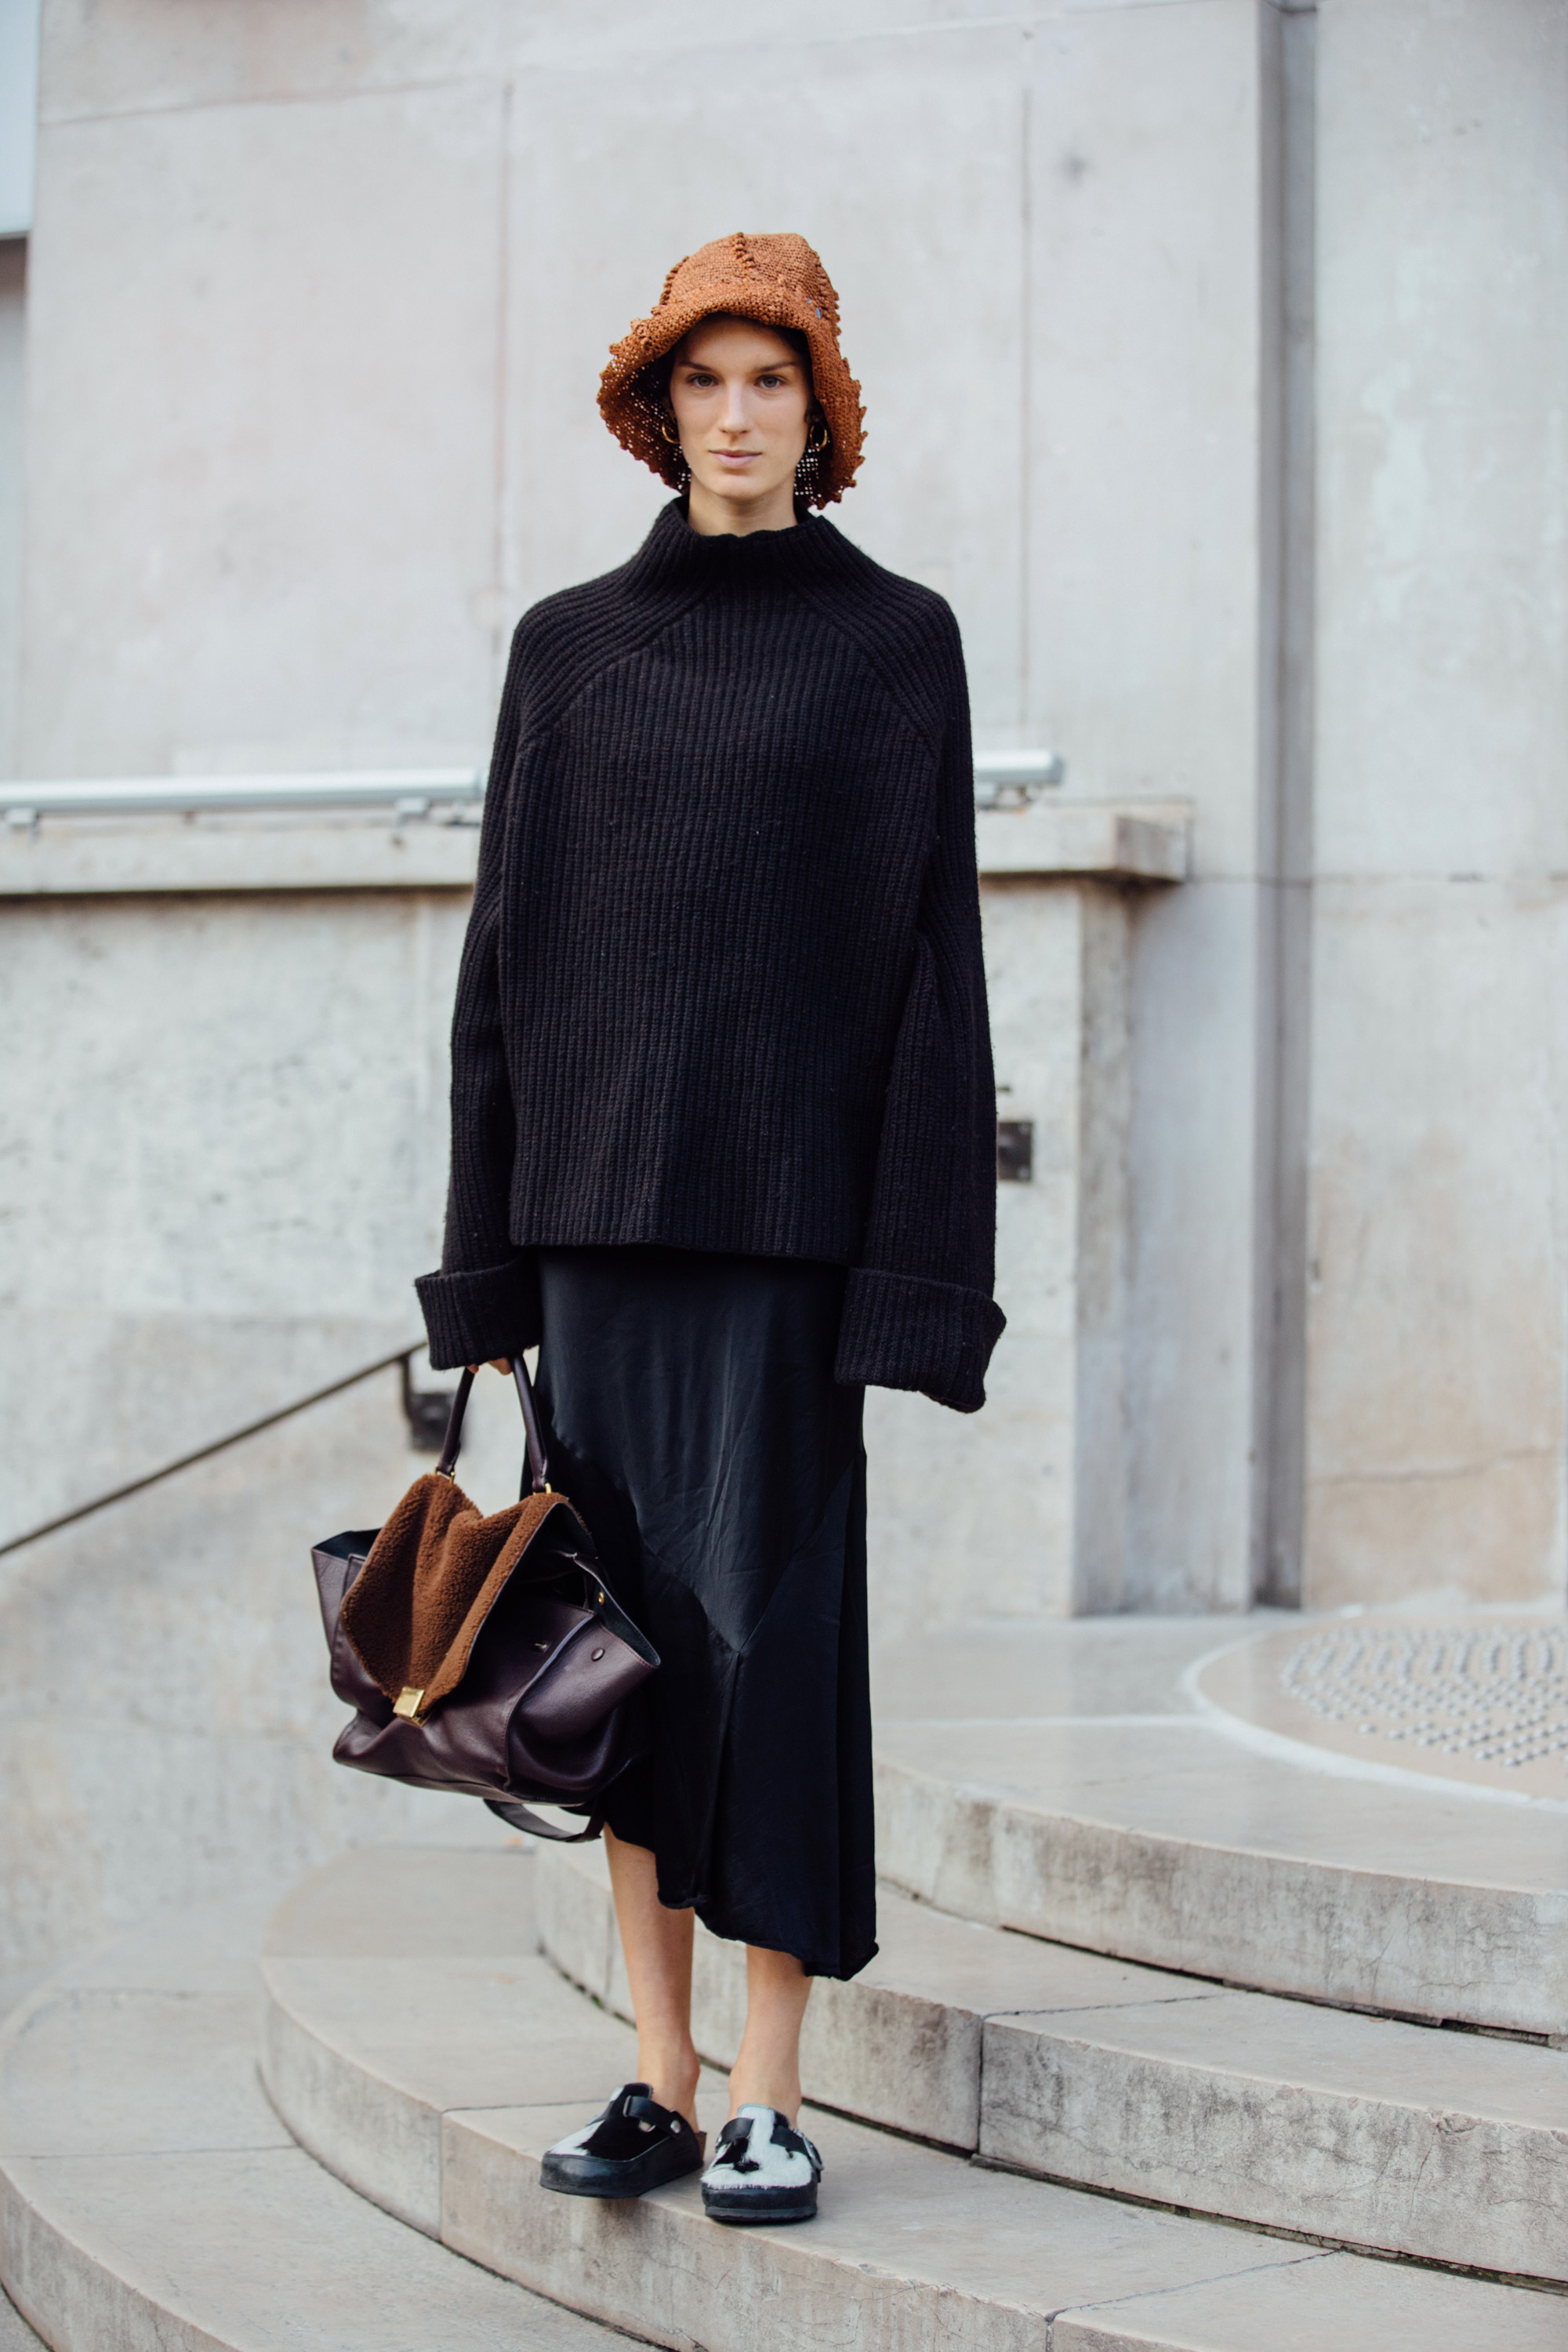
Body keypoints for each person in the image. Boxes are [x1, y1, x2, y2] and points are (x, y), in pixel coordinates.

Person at [416, 231, 1003, 2226]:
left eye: (771, 382)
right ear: (655, 409)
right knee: (619, 1651)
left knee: (772, 1644)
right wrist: (484, 1268)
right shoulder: (565, 648)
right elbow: (501, 965)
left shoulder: (893, 640)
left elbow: (939, 969)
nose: (735, 416)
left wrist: (918, 1273)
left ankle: (768, 2084)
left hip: (786, 1238)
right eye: (704, 383)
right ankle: (656, 2077)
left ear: (819, 411)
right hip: (593, 1225)